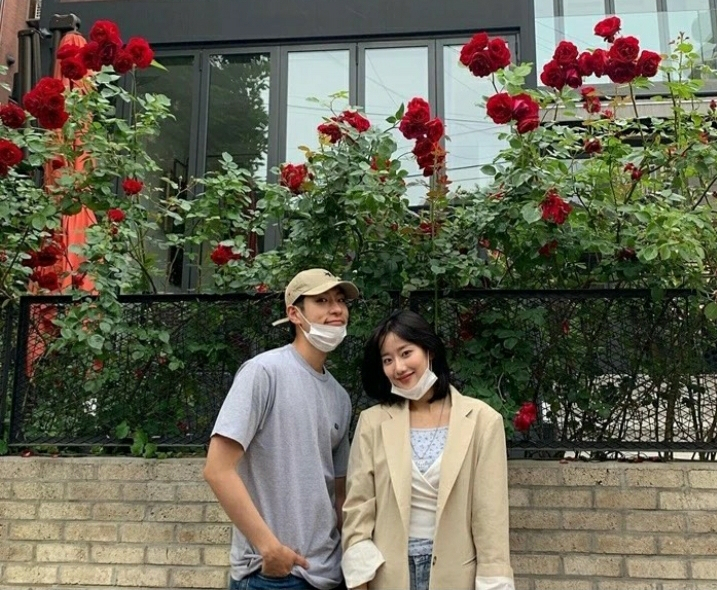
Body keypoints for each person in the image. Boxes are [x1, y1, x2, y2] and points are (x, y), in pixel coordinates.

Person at [204, 268, 360, 590]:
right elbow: (217, 470)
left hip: (329, 574)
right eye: (322, 301)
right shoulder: (263, 372)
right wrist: (270, 549)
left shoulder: (340, 397)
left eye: (340, 301)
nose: (336, 309)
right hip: (274, 575)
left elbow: (339, 492)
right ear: (294, 314)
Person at [341, 310, 515, 590]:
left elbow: (490, 517)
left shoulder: (482, 420)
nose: (398, 367)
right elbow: (358, 509)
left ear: (429, 350)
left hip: (455, 575)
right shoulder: (372, 423)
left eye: (406, 353)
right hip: (388, 573)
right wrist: (359, 581)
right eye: (387, 360)